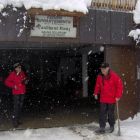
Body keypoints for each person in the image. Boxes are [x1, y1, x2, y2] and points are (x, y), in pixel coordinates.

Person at [94, 62, 123, 134]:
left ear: (108, 68)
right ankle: (102, 127)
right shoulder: (99, 76)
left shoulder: (114, 76)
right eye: (101, 69)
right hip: (103, 98)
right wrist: (95, 93)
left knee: (110, 113)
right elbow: (97, 85)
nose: (102, 70)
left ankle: (112, 126)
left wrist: (118, 96)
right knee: (102, 113)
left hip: (111, 98)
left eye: (104, 69)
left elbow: (120, 86)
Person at [5, 63, 28, 128]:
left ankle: (18, 120)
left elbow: (24, 80)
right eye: (18, 67)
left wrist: (25, 81)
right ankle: (14, 122)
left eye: (20, 67)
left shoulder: (22, 73)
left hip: (22, 92)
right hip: (16, 93)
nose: (20, 68)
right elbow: (6, 82)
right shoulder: (12, 74)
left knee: (20, 107)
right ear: (15, 68)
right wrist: (13, 86)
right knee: (16, 108)